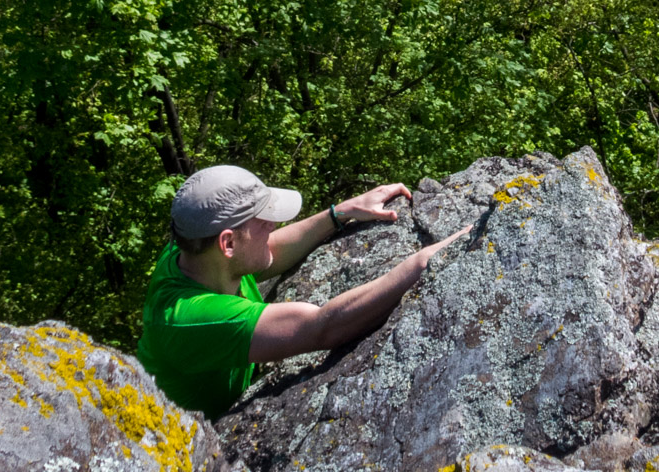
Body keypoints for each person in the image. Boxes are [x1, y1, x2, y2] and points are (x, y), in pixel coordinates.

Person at [136, 163, 466, 419]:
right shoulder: (192, 320)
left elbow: (270, 252)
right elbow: (321, 327)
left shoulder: (193, 252)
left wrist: (341, 212)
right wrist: (427, 262)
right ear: (228, 243)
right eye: (262, 219)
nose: (273, 225)